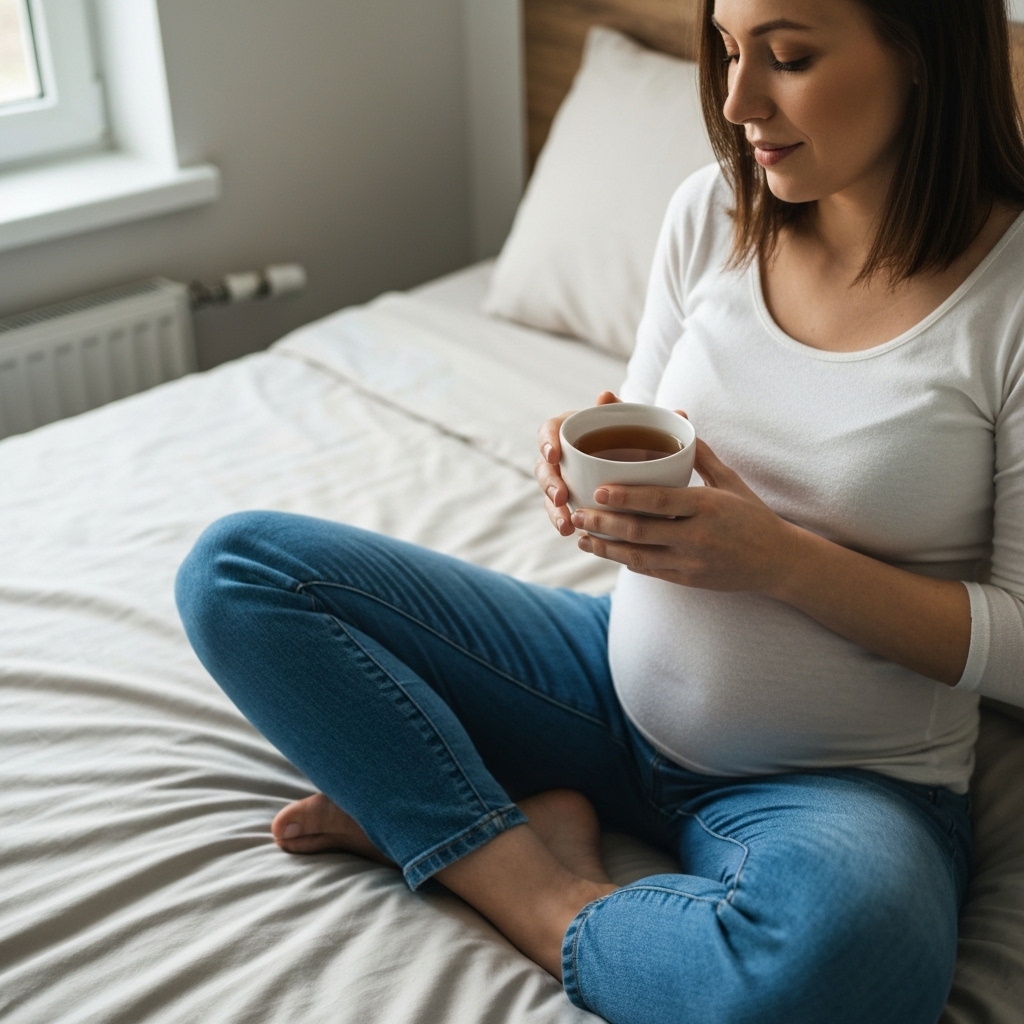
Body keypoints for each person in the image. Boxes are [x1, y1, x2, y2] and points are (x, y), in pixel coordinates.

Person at [174, 0, 1024, 1021]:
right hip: (604, 683)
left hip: (839, 780)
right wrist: (587, 490)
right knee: (238, 572)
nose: (736, 100)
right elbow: (644, 430)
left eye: (787, 58)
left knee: (842, 964)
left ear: (923, 51)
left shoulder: (1008, 299)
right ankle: (512, 848)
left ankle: (516, 879)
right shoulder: (709, 214)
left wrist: (783, 559)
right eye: (726, 51)